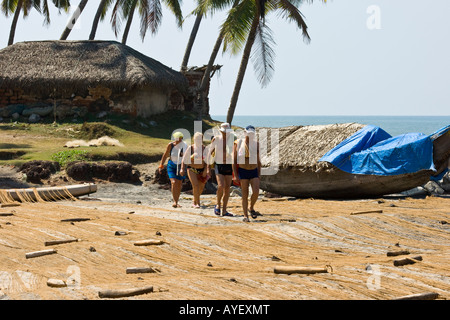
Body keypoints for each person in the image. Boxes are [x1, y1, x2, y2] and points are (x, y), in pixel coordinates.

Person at [233, 125, 261, 222]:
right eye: (249, 134)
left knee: (256, 192)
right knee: (245, 194)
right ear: (245, 133)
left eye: (252, 134)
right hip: (243, 170)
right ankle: (245, 215)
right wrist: (235, 175)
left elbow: (258, 160)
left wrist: (259, 173)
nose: (250, 136)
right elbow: (234, 160)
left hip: (253, 170)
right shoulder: (238, 143)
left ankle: (251, 207)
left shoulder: (256, 144)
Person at [206, 123, 235, 217]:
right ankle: (218, 204)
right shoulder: (216, 139)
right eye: (223, 132)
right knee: (221, 185)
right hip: (219, 165)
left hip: (229, 165)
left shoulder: (233, 140)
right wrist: (208, 168)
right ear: (220, 131)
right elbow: (209, 154)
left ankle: (225, 210)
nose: (225, 133)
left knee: (227, 188)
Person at [159, 131, 188, 208]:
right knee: (174, 182)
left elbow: (185, 158)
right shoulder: (170, 145)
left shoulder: (184, 145)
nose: (180, 140)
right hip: (171, 165)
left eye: (181, 138)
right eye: (178, 139)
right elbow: (165, 155)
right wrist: (161, 165)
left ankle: (177, 201)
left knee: (179, 184)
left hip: (180, 165)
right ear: (175, 139)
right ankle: (174, 201)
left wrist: (182, 168)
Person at [180, 132, 209, 208]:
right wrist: (182, 169)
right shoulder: (191, 148)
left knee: (201, 187)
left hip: (202, 170)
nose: (198, 140)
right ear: (194, 139)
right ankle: (197, 203)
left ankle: (194, 200)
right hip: (192, 169)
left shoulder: (205, 148)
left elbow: (208, 161)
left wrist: (206, 170)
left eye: (200, 139)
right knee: (195, 186)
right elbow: (184, 159)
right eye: (196, 139)